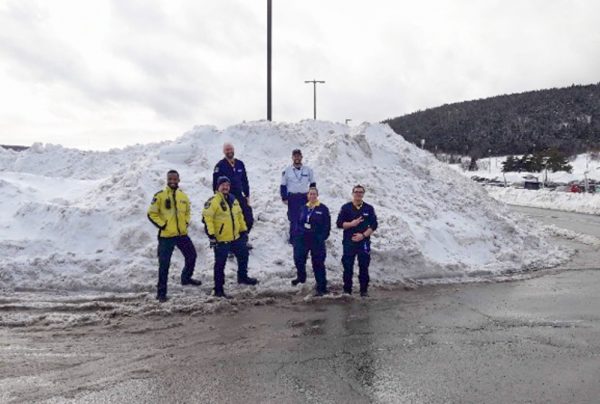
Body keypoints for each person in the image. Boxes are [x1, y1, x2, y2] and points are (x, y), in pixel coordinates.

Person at [147, 170, 201, 303]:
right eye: (170, 179)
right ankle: (161, 293)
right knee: (164, 264)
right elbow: (151, 213)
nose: (172, 181)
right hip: (166, 236)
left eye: (175, 179)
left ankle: (186, 278)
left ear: (179, 180)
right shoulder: (160, 196)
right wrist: (163, 225)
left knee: (192, 255)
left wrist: (186, 222)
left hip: (182, 234)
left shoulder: (183, 196)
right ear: (167, 179)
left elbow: (188, 212)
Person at [203, 176, 258, 298]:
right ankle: (218, 289)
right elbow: (207, 219)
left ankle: (242, 277)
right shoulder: (213, 201)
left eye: (227, 185)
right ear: (218, 187)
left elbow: (239, 216)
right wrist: (211, 235)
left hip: (236, 237)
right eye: (223, 185)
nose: (225, 187)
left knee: (244, 255)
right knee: (220, 264)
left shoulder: (233, 199)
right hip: (221, 239)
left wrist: (243, 231)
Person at [336, 185, 378, 297]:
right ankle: (347, 290)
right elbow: (339, 224)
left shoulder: (369, 208)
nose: (358, 194)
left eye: (361, 192)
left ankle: (364, 291)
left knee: (364, 266)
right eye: (356, 192)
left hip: (363, 242)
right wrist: (352, 224)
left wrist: (363, 235)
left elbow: (374, 225)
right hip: (349, 242)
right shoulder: (346, 208)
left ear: (363, 194)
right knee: (348, 266)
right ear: (352, 193)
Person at [291, 187, 330, 296]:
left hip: (316, 239)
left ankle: (321, 286)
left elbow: (327, 225)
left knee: (318, 263)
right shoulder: (303, 208)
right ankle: (301, 277)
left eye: (314, 194)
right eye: (310, 194)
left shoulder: (323, 209)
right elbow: (297, 222)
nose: (312, 196)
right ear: (307, 196)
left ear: (317, 195)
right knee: (298, 258)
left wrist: (322, 237)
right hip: (302, 238)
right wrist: (297, 234)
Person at [212, 143, 253, 246]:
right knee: (230, 220)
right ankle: (230, 244)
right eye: (226, 150)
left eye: (230, 149)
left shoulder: (240, 164)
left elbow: (244, 180)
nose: (229, 151)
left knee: (248, 217)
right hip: (227, 197)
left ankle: (242, 239)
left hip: (239, 195)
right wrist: (219, 198)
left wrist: (247, 195)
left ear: (233, 150)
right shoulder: (219, 165)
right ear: (224, 152)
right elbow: (215, 183)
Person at [280, 149, 316, 243]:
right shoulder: (287, 171)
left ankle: (304, 238)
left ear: (301, 157)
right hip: (293, 197)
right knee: (293, 218)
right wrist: (284, 197)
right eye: (295, 156)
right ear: (292, 157)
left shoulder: (308, 170)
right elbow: (283, 185)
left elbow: (312, 183)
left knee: (305, 217)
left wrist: (312, 196)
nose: (297, 158)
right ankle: (293, 239)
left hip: (305, 197)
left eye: (298, 156)